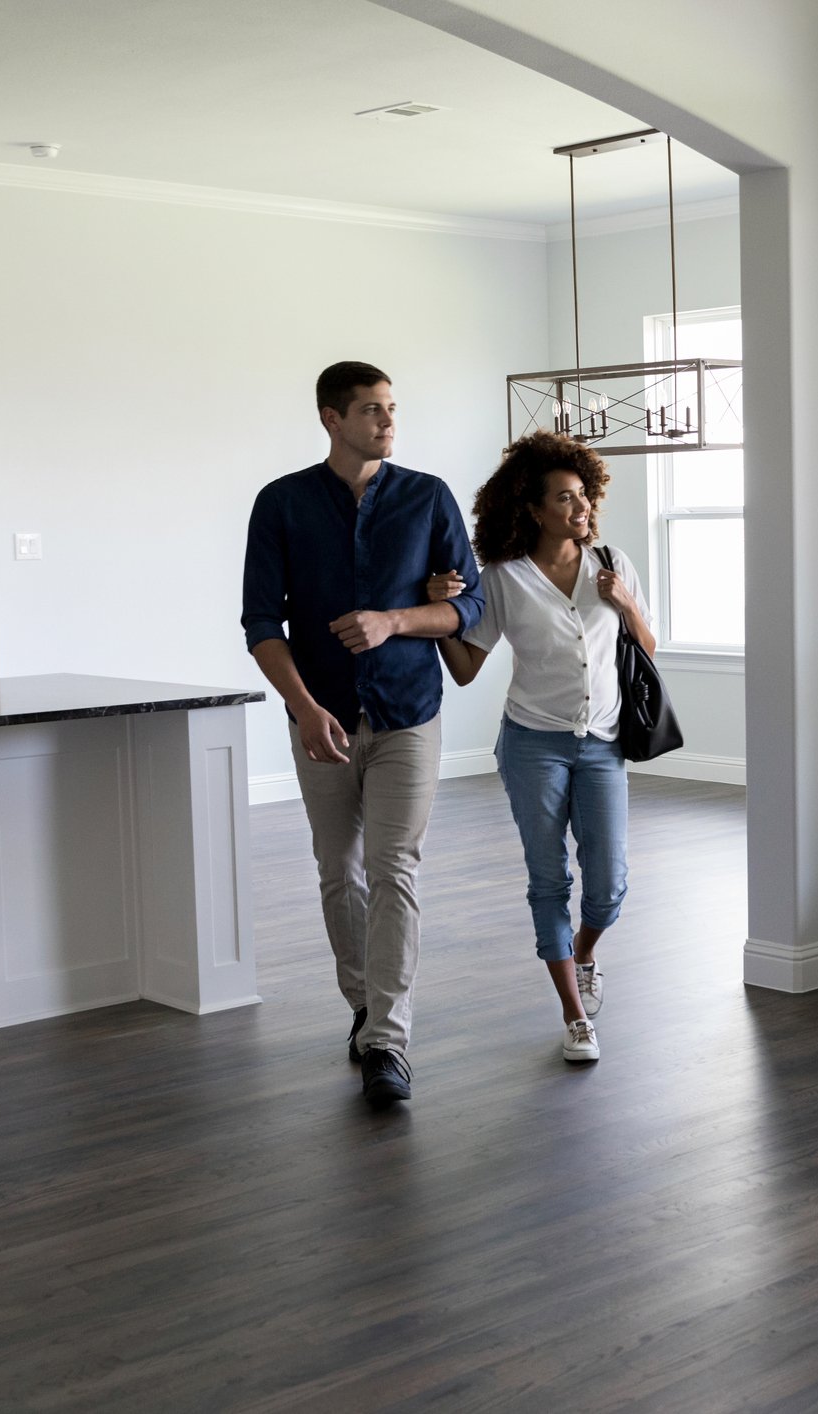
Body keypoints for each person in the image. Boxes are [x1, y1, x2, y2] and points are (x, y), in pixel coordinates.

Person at [241, 361, 484, 1110]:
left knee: (394, 869)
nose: (386, 422)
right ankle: (362, 1004)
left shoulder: (427, 496)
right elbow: (260, 623)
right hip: (321, 718)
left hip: (408, 710)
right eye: (371, 410)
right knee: (337, 870)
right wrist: (304, 707)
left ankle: (387, 1039)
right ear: (330, 418)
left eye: (391, 409)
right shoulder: (280, 503)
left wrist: (395, 620)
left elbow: (468, 608)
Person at [431, 431, 651, 1064]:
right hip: (533, 745)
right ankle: (574, 1015)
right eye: (564, 498)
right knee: (548, 879)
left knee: (608, 885)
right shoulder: (503, 576)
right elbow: (469, 666)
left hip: (604, 742)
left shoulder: (612, 561)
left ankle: (583, 953)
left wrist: (625, 600)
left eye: (583, 495)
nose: (580, 509)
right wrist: (437, 616)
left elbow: (649, 647)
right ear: (531, 507)